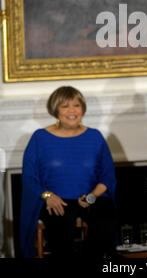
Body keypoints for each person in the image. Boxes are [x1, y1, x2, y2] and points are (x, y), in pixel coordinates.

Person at [20, 86, 117, 259]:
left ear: (83, 109)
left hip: (90, 198)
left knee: (106, 216)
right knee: (62, 222)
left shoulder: (95, 137)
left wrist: (92, 196)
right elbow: (29, 178)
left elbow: (108, 175)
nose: (72, 110)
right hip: (55, 199)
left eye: (76, 105)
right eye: (65, 106)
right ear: (55, 110)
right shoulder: (40, 138)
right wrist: (48, 196)